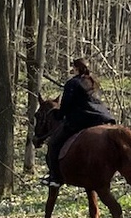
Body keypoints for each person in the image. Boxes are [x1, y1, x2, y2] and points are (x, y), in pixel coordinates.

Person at [46, 57, 116, 189]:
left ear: (76, 68)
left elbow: (66, 105)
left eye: (73, 67)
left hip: (84, 119)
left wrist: (59, 115)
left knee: (54, 143)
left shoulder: (72, 83)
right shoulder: (93, 82)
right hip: (103, 117)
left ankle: (55, 177)